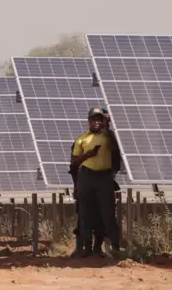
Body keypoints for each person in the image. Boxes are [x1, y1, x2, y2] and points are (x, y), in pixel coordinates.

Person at [71, 108, 121, 258]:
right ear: (89, 121)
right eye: (93, 119)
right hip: (86, 177)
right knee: (85, 214)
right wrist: (88, 154)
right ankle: (86, 248)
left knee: (106, 214)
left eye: (99, 119)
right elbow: (74, 162)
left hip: (104, 178)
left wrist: (108, 127)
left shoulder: (109, 137)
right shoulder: (82, 139)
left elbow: (116, 151)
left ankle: (108, 248)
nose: (96, 122)